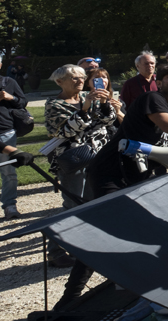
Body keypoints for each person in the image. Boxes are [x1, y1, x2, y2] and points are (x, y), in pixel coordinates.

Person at [53, 62, 168, 308]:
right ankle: (70, 298)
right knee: (109, 230)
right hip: (111, 172)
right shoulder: (152, 98)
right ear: (160, 81)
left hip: (138, 176)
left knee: (148, 229)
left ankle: (141, 284)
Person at [44, 65, 123, 256]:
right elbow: (66, 131)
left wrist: (104, 103)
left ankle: (87, 244)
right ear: (60, 82)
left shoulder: (89, 98)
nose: (80, 81)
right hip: (74, 160)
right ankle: (56, 250)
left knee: (94, 201)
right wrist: (86, 107)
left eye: (82, 77)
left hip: (98, 157)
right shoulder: (54, 105)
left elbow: (107, 121)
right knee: (73, 203)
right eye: (74, 78)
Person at [0, 69, 30, 220]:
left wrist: (10, 97)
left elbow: (23, 102)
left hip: (5, 132)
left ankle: (9, 205)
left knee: (8, 171)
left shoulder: (8, 82)